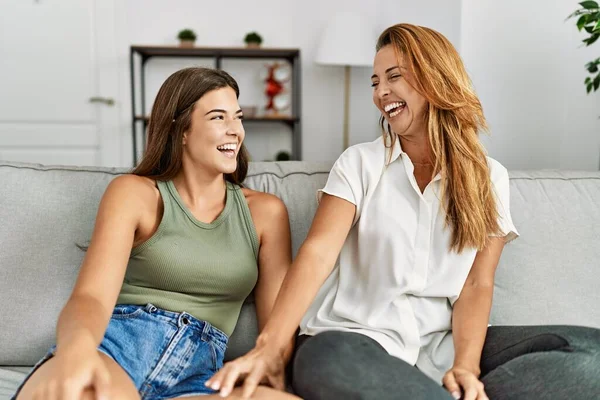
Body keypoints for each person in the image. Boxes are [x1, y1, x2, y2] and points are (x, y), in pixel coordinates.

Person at [206, 23, 600, 400]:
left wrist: (466, 367)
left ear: (436, 78)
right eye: (376, 82)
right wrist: (271, 346)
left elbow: (476, 285)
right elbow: (317, 254)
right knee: (328, 364)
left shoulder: (488, 177)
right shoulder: (359, 164)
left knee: (588, 352)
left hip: (442, 344)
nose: (381, 92)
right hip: (351, 341)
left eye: (394, 76)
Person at [14, 67, 299, 400]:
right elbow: (90, 297)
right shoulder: (134, 194)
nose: (235, 131)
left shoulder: (265, 213)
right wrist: (76, 351)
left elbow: (276, 331)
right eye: (218, 118)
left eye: (237, 117)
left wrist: (270, 366)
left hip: (200, 377)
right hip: (115, 353)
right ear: (181, 131)